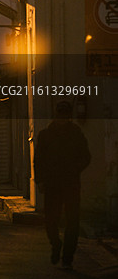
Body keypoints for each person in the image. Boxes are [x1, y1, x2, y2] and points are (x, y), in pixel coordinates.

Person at [34, 100, 91, 269]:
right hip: (54, 184)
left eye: (65, 117)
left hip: (69, 183)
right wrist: (40, 180)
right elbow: (38, 160)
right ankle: (56, 244)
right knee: (52, 220)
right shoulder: (46, 135)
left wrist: (75, 169)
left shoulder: (75, 134)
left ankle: (67, 257)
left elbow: (86, 157)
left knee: (72, 221)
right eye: (61, 116)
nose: (62, 120)